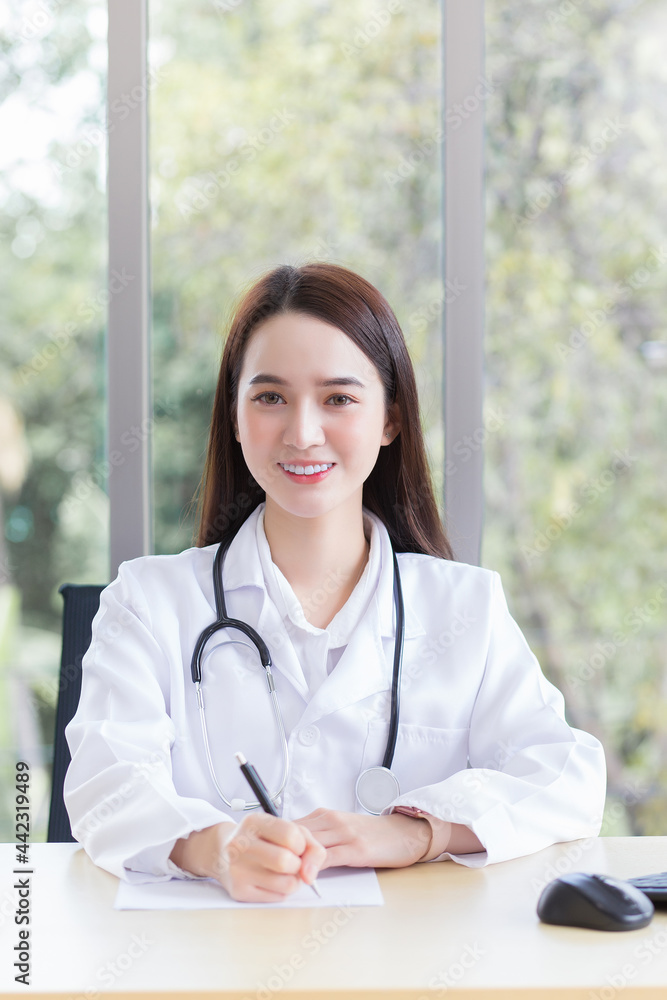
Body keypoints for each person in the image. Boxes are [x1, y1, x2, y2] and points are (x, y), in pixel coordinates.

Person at [64, 262, 606, 902]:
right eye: (270, 397)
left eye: (339, 398)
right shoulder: (149, 601)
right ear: (235, 418)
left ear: (389, 420)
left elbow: (565, 773)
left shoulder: (466, 606)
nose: (303, 433)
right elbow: (105, 783)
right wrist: (216, 848)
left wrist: (415, 833)